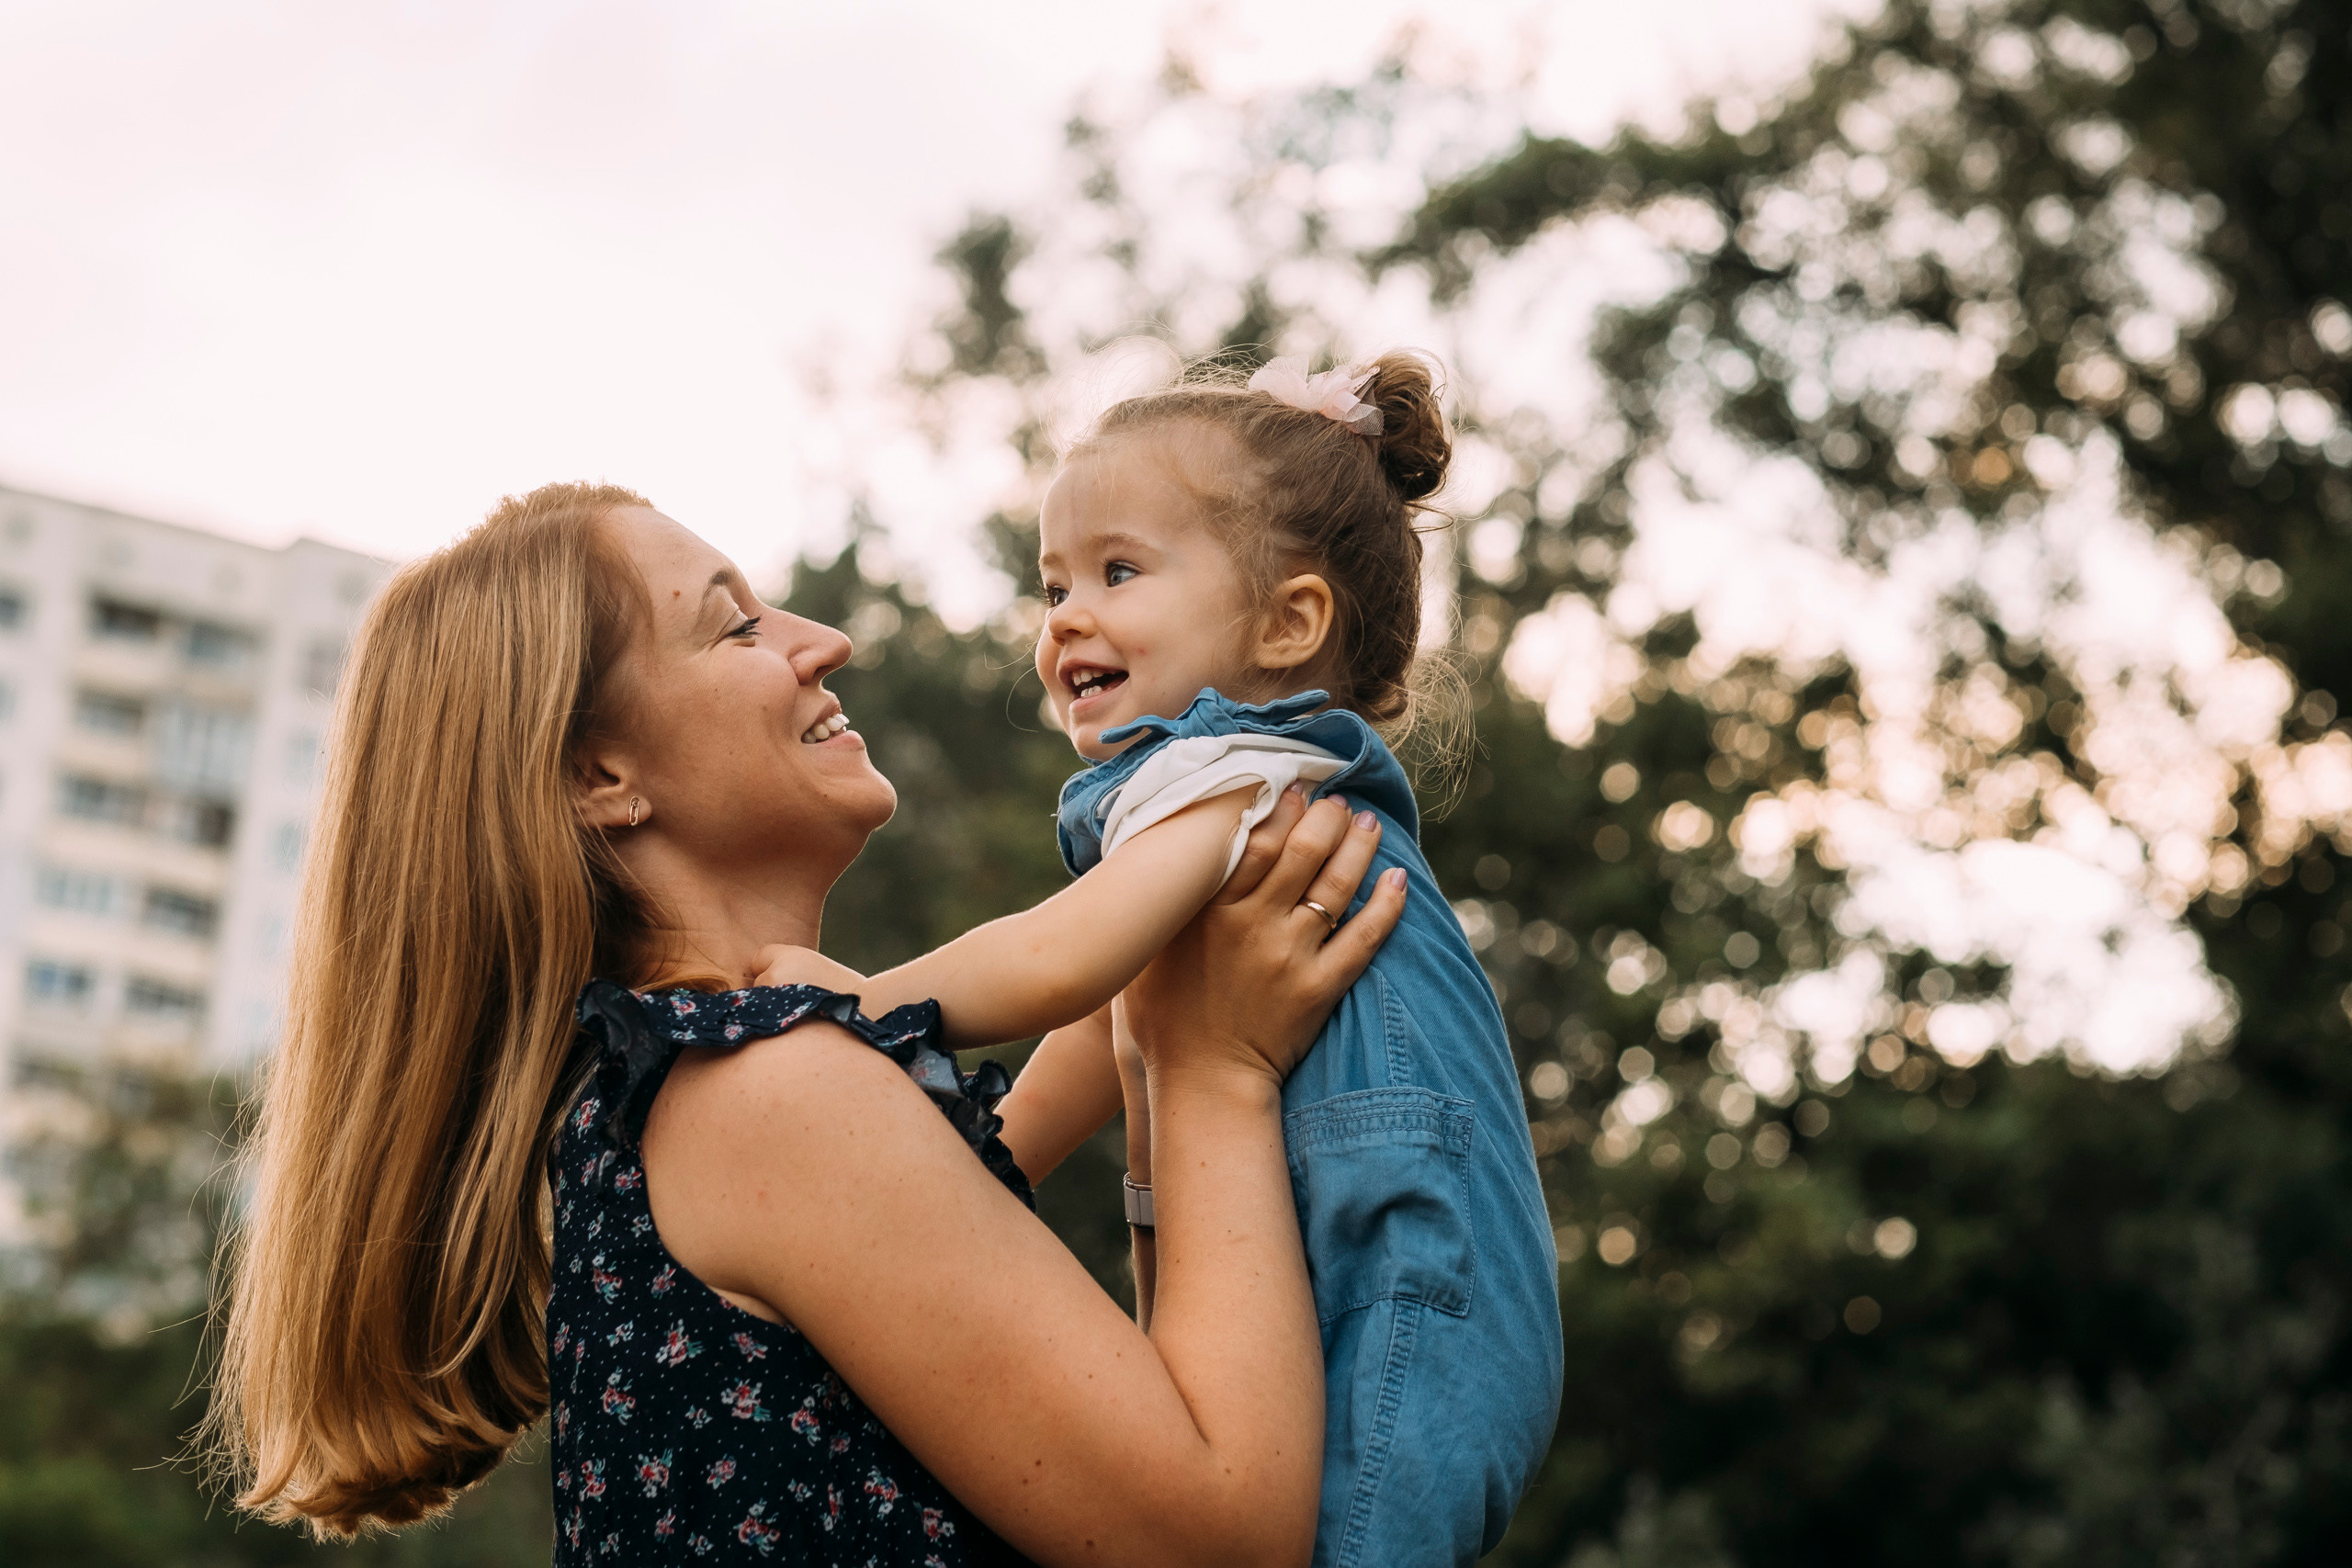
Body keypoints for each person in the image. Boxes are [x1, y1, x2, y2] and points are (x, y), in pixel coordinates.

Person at [209, 481, 1405, 1566]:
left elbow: (964, 1191)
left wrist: (1162, 1024)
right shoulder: (766, 1099)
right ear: (597, 776)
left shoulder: (686, 1098)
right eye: (736, 626)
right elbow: (1226, 1542)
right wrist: (1215, 1074)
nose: (824, 641)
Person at [989, 352, 1564, 1566]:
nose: (1065, 618)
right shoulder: (1208, 795)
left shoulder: (1237, 771)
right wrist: (985, 1163)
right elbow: (1109, 1013)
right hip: (1374, 1256)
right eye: (1052, 587)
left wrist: (834, 1017)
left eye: (1118, 571)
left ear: (1288, 623)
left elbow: (1056, 965)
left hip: (1415, 1273)